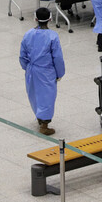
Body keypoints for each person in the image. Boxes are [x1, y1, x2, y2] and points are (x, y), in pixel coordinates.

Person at [20, 7, 65, 135]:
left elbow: (22, 55)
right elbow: (58, 57)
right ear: (50, 19)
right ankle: (44, 125)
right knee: (47, 97)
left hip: (32, 70)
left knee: (34, 94)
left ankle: (40, 117)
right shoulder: (52, 36)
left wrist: (27, 68)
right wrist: (59, 73)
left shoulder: (28, 34)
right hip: (46, 71)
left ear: (35, 19)